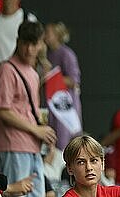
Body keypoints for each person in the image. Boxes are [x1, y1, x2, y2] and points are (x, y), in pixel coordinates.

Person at [0, 21, 56, 197]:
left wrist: (43, 133)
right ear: (18, 41)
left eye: (34, 44)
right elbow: (2, 110)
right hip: (13, 144)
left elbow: (30, 111)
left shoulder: (33, 72)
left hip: (33, 146)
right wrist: (36, 129)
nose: (29, 50)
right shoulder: (7, 69)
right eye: (25, 44)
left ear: (41, 44)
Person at [44, 22, 82, 150]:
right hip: (52, 102)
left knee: (64, 139)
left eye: (48, 33)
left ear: (57, 35)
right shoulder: (47, 54)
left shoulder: (66, 54)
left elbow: (74, 80)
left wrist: (51, 77)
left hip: (64, 104)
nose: (45, 36)